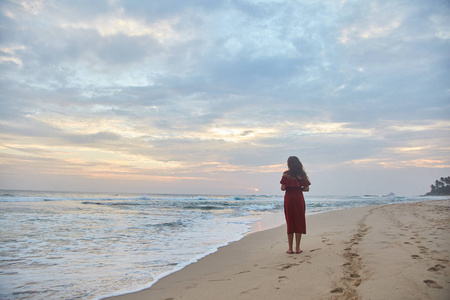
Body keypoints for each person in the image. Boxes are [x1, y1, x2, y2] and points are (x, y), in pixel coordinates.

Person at [280, 156, 310, 254]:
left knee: (290, 221)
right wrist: (298, 188)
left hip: (289, 199)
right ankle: (297, 248)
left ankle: (290, 248)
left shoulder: (286, 174)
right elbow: (306, 189)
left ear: (289, 164)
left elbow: (283, 188)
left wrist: (290, 186)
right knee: (299, 221)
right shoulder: (302, 175)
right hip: (298, 199)